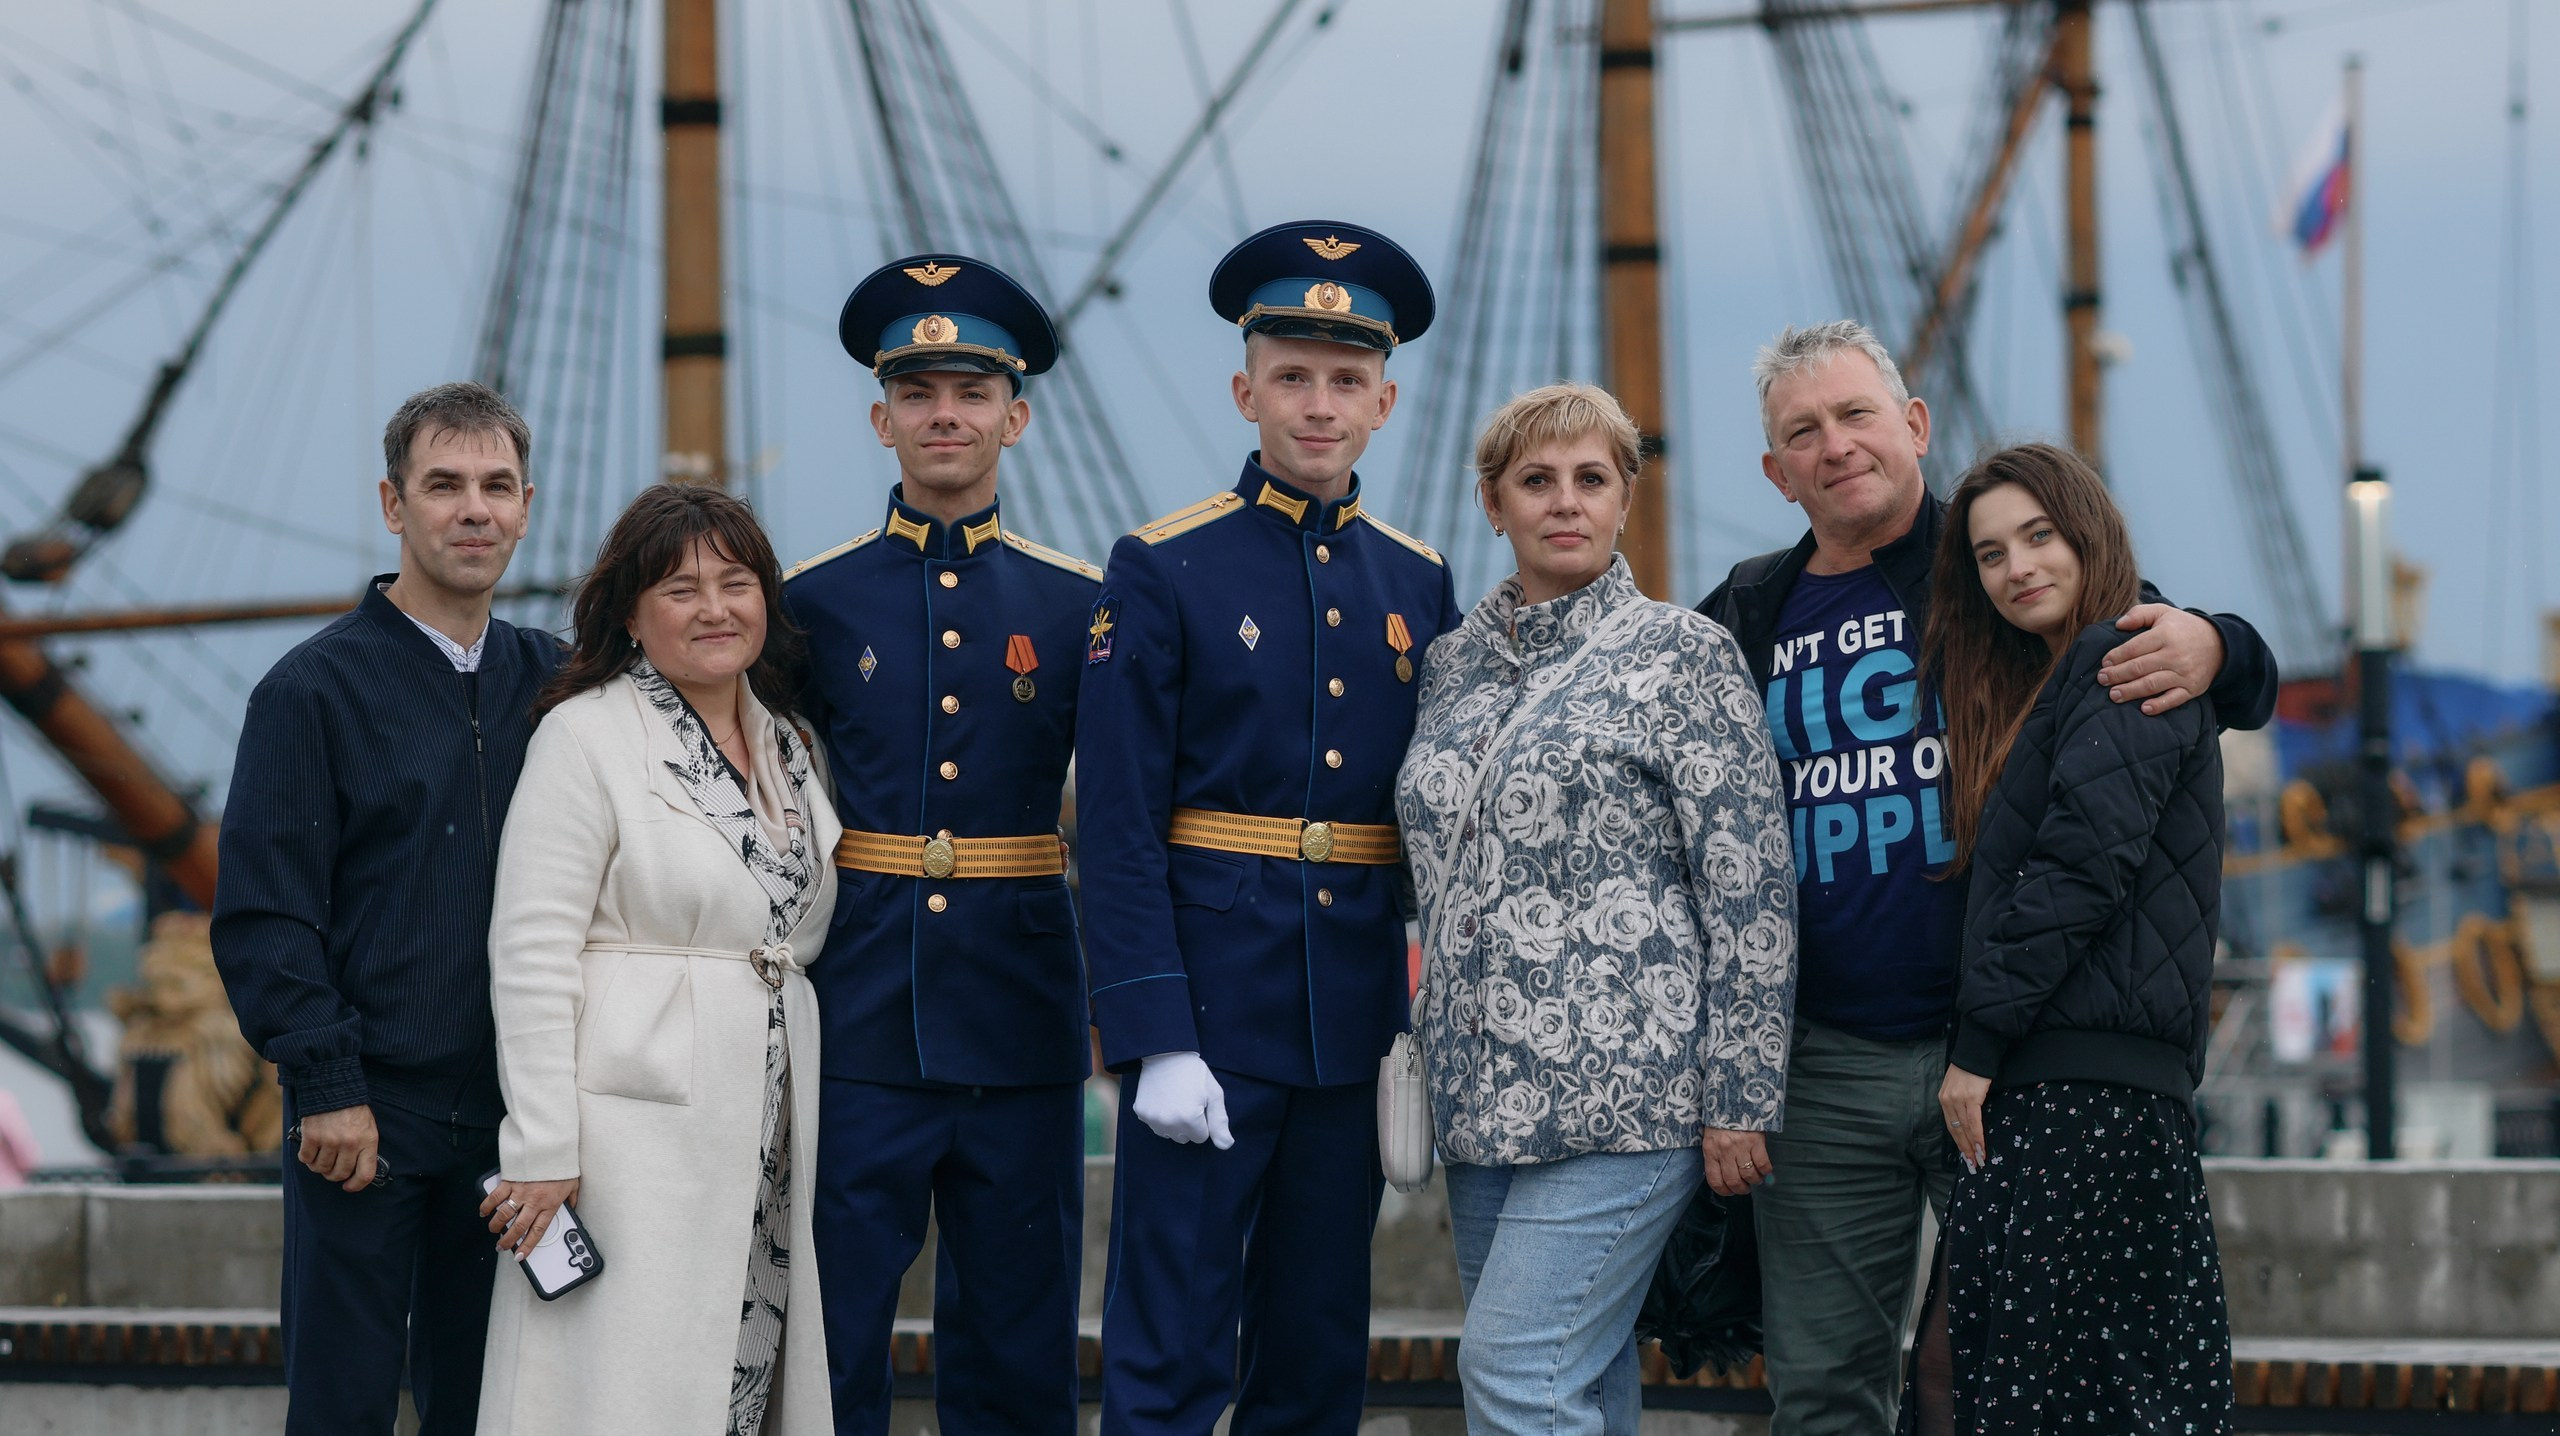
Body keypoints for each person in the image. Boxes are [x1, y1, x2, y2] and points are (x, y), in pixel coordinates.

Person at [1693, 321, 2276, 1435]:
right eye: (1803, 433)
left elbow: (2149, 644)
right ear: (1775, 473)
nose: (1835, 445)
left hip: (2009, 1058)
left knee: (2003, 1382)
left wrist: (2220, 641)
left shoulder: (1993, 565)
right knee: (1821, 1391)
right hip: (1826, 1064)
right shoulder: (1746, 613)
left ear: (1913, 424)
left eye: (1856, 414)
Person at [1075, 219, 1459, 1435]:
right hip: (1209, 1012)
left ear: (1384, 401)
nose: (1318, 404)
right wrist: (1152, 1035)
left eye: (1346, 379)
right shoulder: (1161, 565)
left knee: (1315, 1351)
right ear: (1246, 392)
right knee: (1169, 1351)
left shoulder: (1417, 580)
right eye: (1292, 376)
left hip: (1351, 1015)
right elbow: (1118, 826)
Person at [1395, 383, 1795, 1434]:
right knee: (1579, 1378)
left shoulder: (1684, 655)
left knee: (1514, 1370)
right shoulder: (1450, 668)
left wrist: (1742, 1094)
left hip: (1631, 1091)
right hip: (1479, 1097)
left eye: (1591, 478)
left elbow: (1750, 886)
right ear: (1494, 504)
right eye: (1536, 480)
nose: (1564, 501)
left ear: (1624, 498)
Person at [786, 254, 1100, 1436]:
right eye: (916, 393)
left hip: (1021, 1010)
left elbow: (1121, 812)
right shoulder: (808, 602)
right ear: (882, 419)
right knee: (831, 1336)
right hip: (859, 1008)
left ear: (1015, 417)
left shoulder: (1080, 603)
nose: (944, 415)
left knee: (1020, 1344)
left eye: (972, 392)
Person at [211, 381, 552, 1435]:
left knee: (492, 1410)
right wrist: (326, 1084)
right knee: (342, 1407)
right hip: (364, 1115)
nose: (474, 509)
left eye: (497, 486)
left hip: (514, 1121)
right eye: (444, 485)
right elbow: (267, 912)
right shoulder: (310, 691)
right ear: (393, 504)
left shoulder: (559, 683)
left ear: (526, 508)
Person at [475, 483, 839, 1436]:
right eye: (680, 590)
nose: (714, 608)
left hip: (766, 1114)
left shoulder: (790, 745)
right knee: (622, 1386)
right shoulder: (585, 735)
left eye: (736, 583)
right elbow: (531, 948)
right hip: (626, 1139)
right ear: (630, 616)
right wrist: (542, 1147)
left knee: (741, 1371)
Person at [1917, 442, 2234, 1429]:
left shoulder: (2121, 655)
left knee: (2017, 1389)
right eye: (1990, 553)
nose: (2017, 567)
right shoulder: (2069, 673)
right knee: (2049, 1384)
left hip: (2081, 1098)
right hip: (2089, 1094)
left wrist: (1976, 1048)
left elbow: (2081, 867)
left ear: (2087, 531)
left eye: (2038, 535)